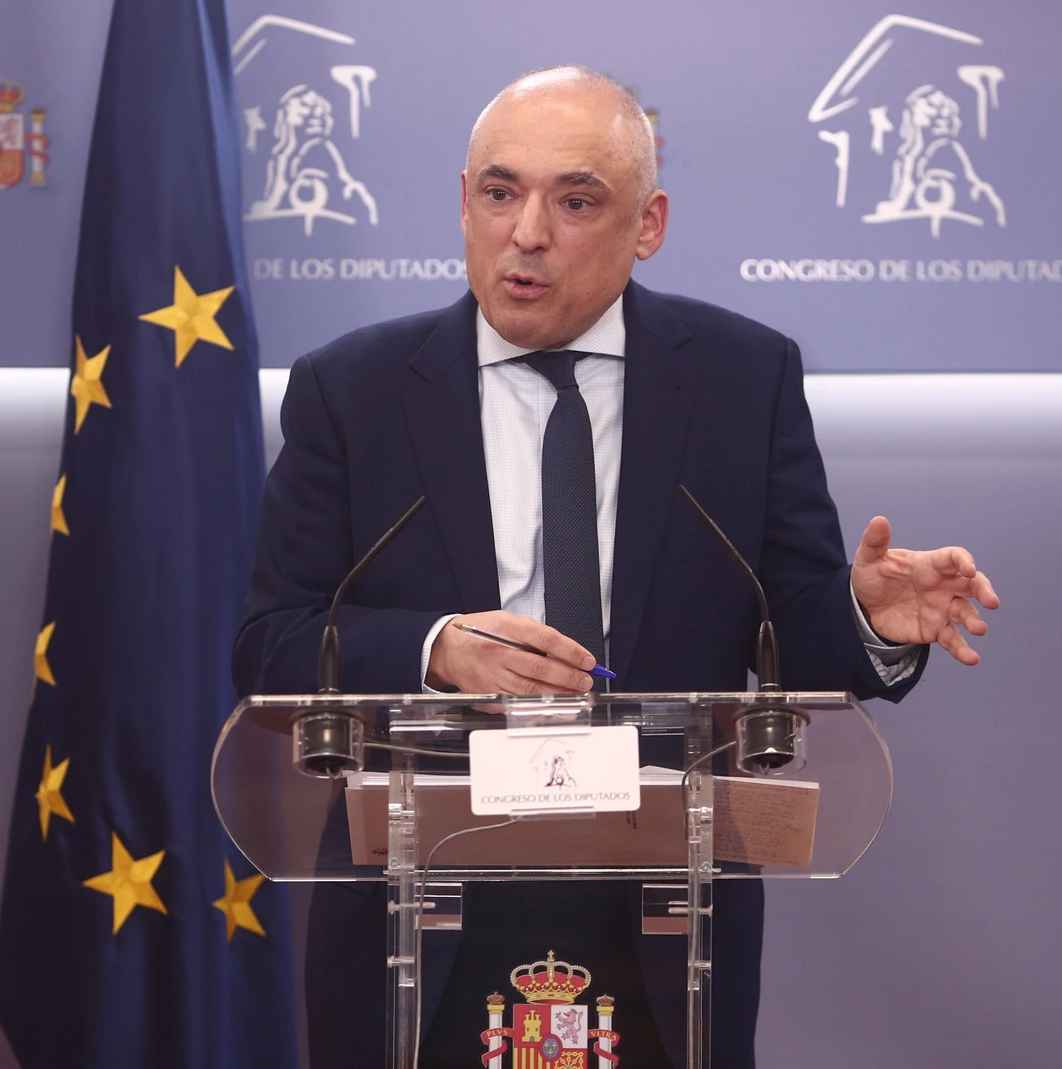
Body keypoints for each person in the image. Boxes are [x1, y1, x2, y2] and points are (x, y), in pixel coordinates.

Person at [232, 66, 999, 1068]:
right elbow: (270, 646)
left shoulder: (739, 378)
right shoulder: (354, 391)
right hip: (415, 909)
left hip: (663, 916)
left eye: (576, 200)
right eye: (500, 192)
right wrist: (432, 649)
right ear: (463, 200)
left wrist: (862, 616)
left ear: (648, 224)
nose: (526, 232)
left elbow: (790, 629)